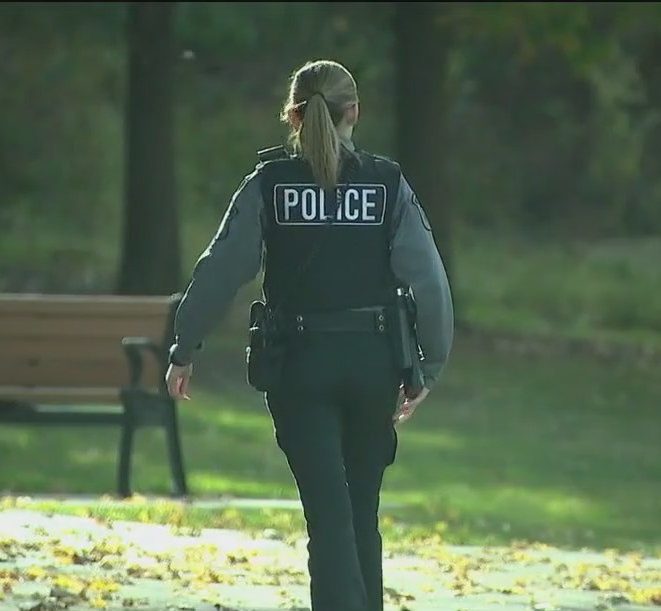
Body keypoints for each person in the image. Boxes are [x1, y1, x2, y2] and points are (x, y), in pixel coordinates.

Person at [163, 59, 454, 611]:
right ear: (355, 113)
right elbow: (429, 278)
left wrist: (185, 344)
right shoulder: (386, 184)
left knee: (329, 519)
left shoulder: (269, 184)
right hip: (373, 362)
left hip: (299, 365)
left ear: (292, 115)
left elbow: (222, 267)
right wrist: (429, 363)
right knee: (360, 516)